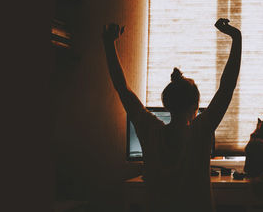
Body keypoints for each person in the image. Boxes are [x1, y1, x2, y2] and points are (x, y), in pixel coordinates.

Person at [102, 18, 242, 212]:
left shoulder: (149, 130)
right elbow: (227, 88)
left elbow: (122, 88)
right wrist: (236, 37)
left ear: (166, 104)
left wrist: (109, 44)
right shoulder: (200, 131)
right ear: (196, 106)